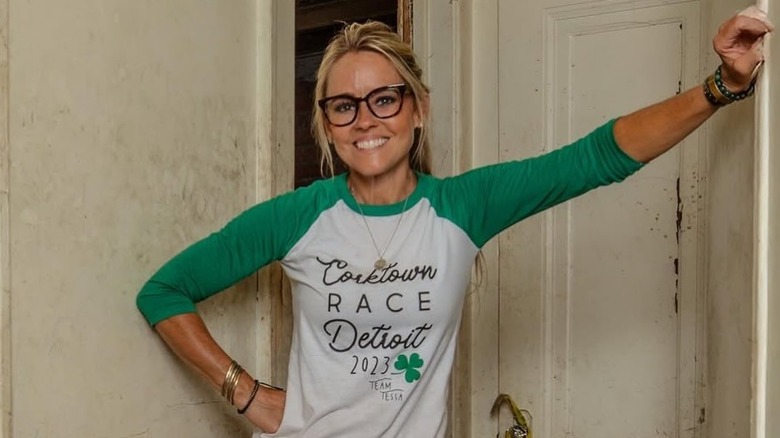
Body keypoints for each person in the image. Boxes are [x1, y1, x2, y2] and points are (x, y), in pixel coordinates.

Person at [136, 7, 773, 438]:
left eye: (384, 98)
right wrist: (245, 393)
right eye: (343, 106)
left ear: (419, 110)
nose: (365, 120)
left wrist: (722, 85)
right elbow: (164, 292)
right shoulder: (300, 216)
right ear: (326, 124)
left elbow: (596, 157)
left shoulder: (463, 207)